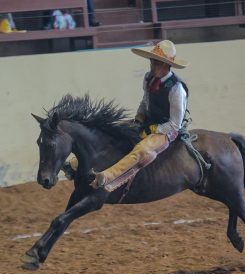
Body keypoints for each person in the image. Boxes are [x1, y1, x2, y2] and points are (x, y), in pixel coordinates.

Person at [63, 40, 189, 190]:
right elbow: (145, 101)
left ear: (166, 65)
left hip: (166, 131)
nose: (152, 65)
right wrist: (138, 119)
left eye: (157, 62)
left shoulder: (176, 88)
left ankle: (108, 177)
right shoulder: (149, 78)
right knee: (112, 131)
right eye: (152, 61)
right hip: (146, 123)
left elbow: (175, 124)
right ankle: (74, 164)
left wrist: (151, 130)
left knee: (143, 150)